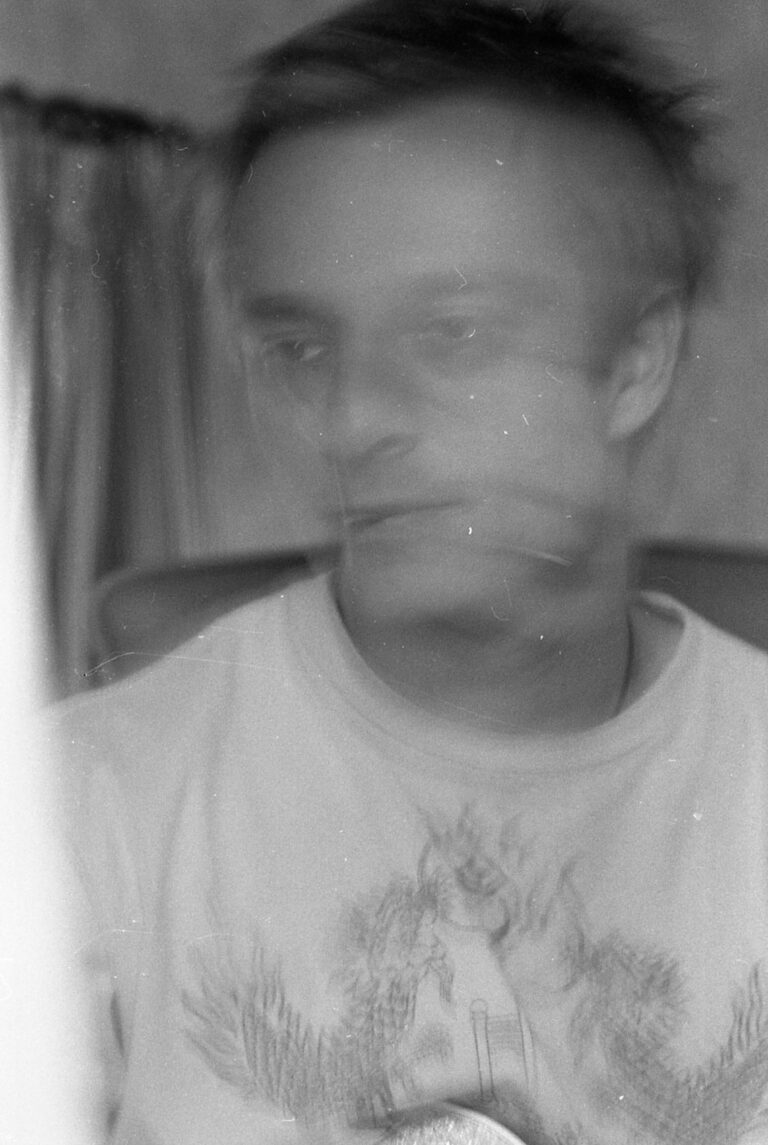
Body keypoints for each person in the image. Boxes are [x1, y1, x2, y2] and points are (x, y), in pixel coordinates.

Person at [52, 1, 768, 1142]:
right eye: (300, 348)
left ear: (637, 362)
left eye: (454, 335)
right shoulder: (73, 814)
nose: (351, 418)